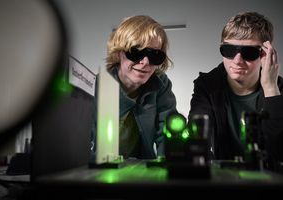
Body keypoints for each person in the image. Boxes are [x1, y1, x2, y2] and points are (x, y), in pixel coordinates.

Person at [188, 11, 283, 168]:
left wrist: (270, 88)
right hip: (223, 177)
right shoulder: (207, 86)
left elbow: (279, 151)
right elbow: (197, 136)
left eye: (249, 52)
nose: (237, 61)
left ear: (265, 54)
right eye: (229, 51)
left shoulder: (278, 90)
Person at [91, 15, 177, 159]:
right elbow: (81, 141)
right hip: (102, 169)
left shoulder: (161, 85)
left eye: (155, 55)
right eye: (136, 52)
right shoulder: (96, 86)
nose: (145, 62)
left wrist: (167, 170)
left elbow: (168, 136)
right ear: (119, 53)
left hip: (143, 170)